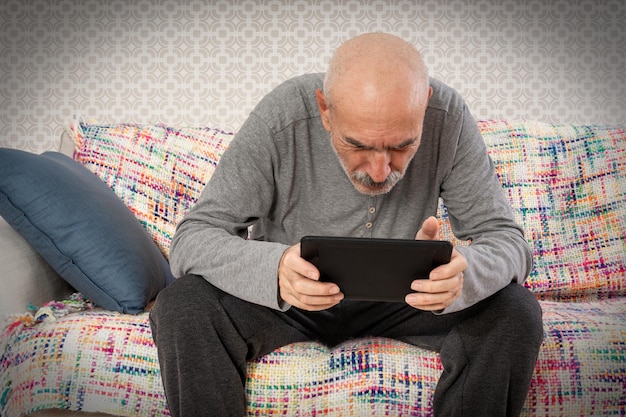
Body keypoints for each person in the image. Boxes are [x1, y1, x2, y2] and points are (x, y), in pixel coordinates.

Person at [150, 32, 543, 416]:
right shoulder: (282, 116)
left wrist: (464, 275)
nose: (379, 170)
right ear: (325, 110)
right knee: (183, 305)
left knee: (514, 311)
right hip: (287, 303)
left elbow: (507, 241)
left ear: (424, 105)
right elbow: (192, 238)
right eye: (358, 145)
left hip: (407, 302)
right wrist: (275, 270)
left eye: (402, 145)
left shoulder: (449, 118)